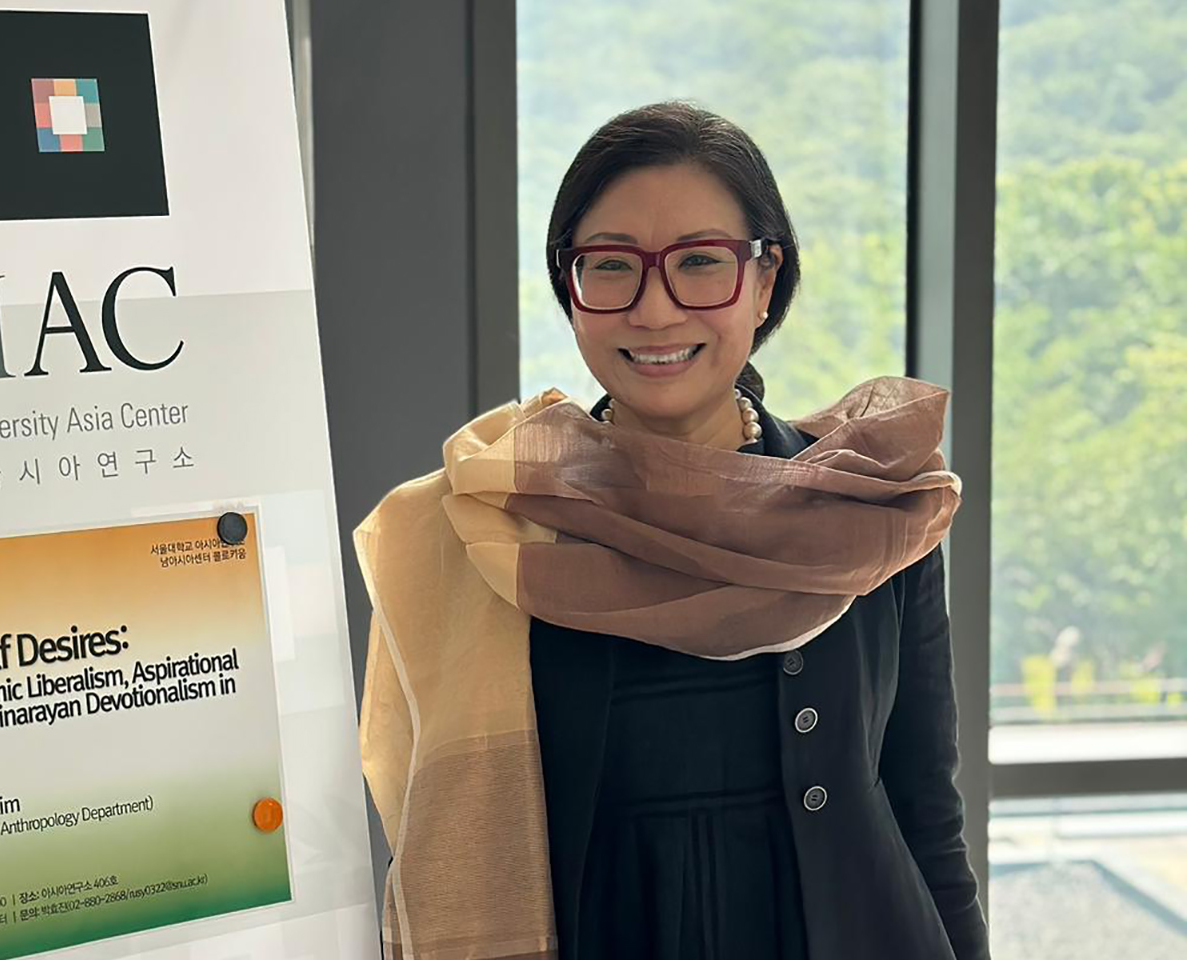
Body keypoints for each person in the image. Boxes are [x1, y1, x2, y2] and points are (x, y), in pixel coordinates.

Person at [354, 101, 989, 960]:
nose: (654, 310)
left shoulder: (867, 513)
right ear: (569, 289)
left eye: (700, 263)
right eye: (611, 266)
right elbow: (431, 833)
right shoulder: (492, 529)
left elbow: (928, 820)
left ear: (765, 282)